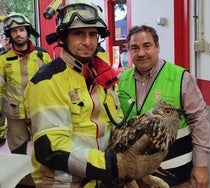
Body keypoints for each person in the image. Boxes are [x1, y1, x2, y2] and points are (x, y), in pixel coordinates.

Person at [24, 1, 167, 187]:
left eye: (93, 34)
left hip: (101, 180)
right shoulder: (47, 80)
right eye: (78, 33)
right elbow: (52, 148)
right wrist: (117, 165)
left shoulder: (102, 77)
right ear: (63, 37)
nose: (88, 42)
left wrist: (134, 170)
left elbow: (114, 123)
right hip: (64, 183)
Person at [118, 25, 210, 188]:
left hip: (175, 175)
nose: (141, 53)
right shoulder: (122, 80)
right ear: (129, 51)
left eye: (147, 46)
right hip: (134, 176)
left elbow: (199, 120)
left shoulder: (181, 77)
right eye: (135, 48)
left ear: (157, 47)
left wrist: (201, 165)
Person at [0, 12, 52, 153]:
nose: (18, 34)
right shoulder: (3, 59)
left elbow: (53, 85)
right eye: (14, 31)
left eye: (22, 29)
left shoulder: (42, 55)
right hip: (15, 114)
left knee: (45, 151)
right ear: (9, 35)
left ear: (27, 31)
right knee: (18, 152)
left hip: (39, 112)